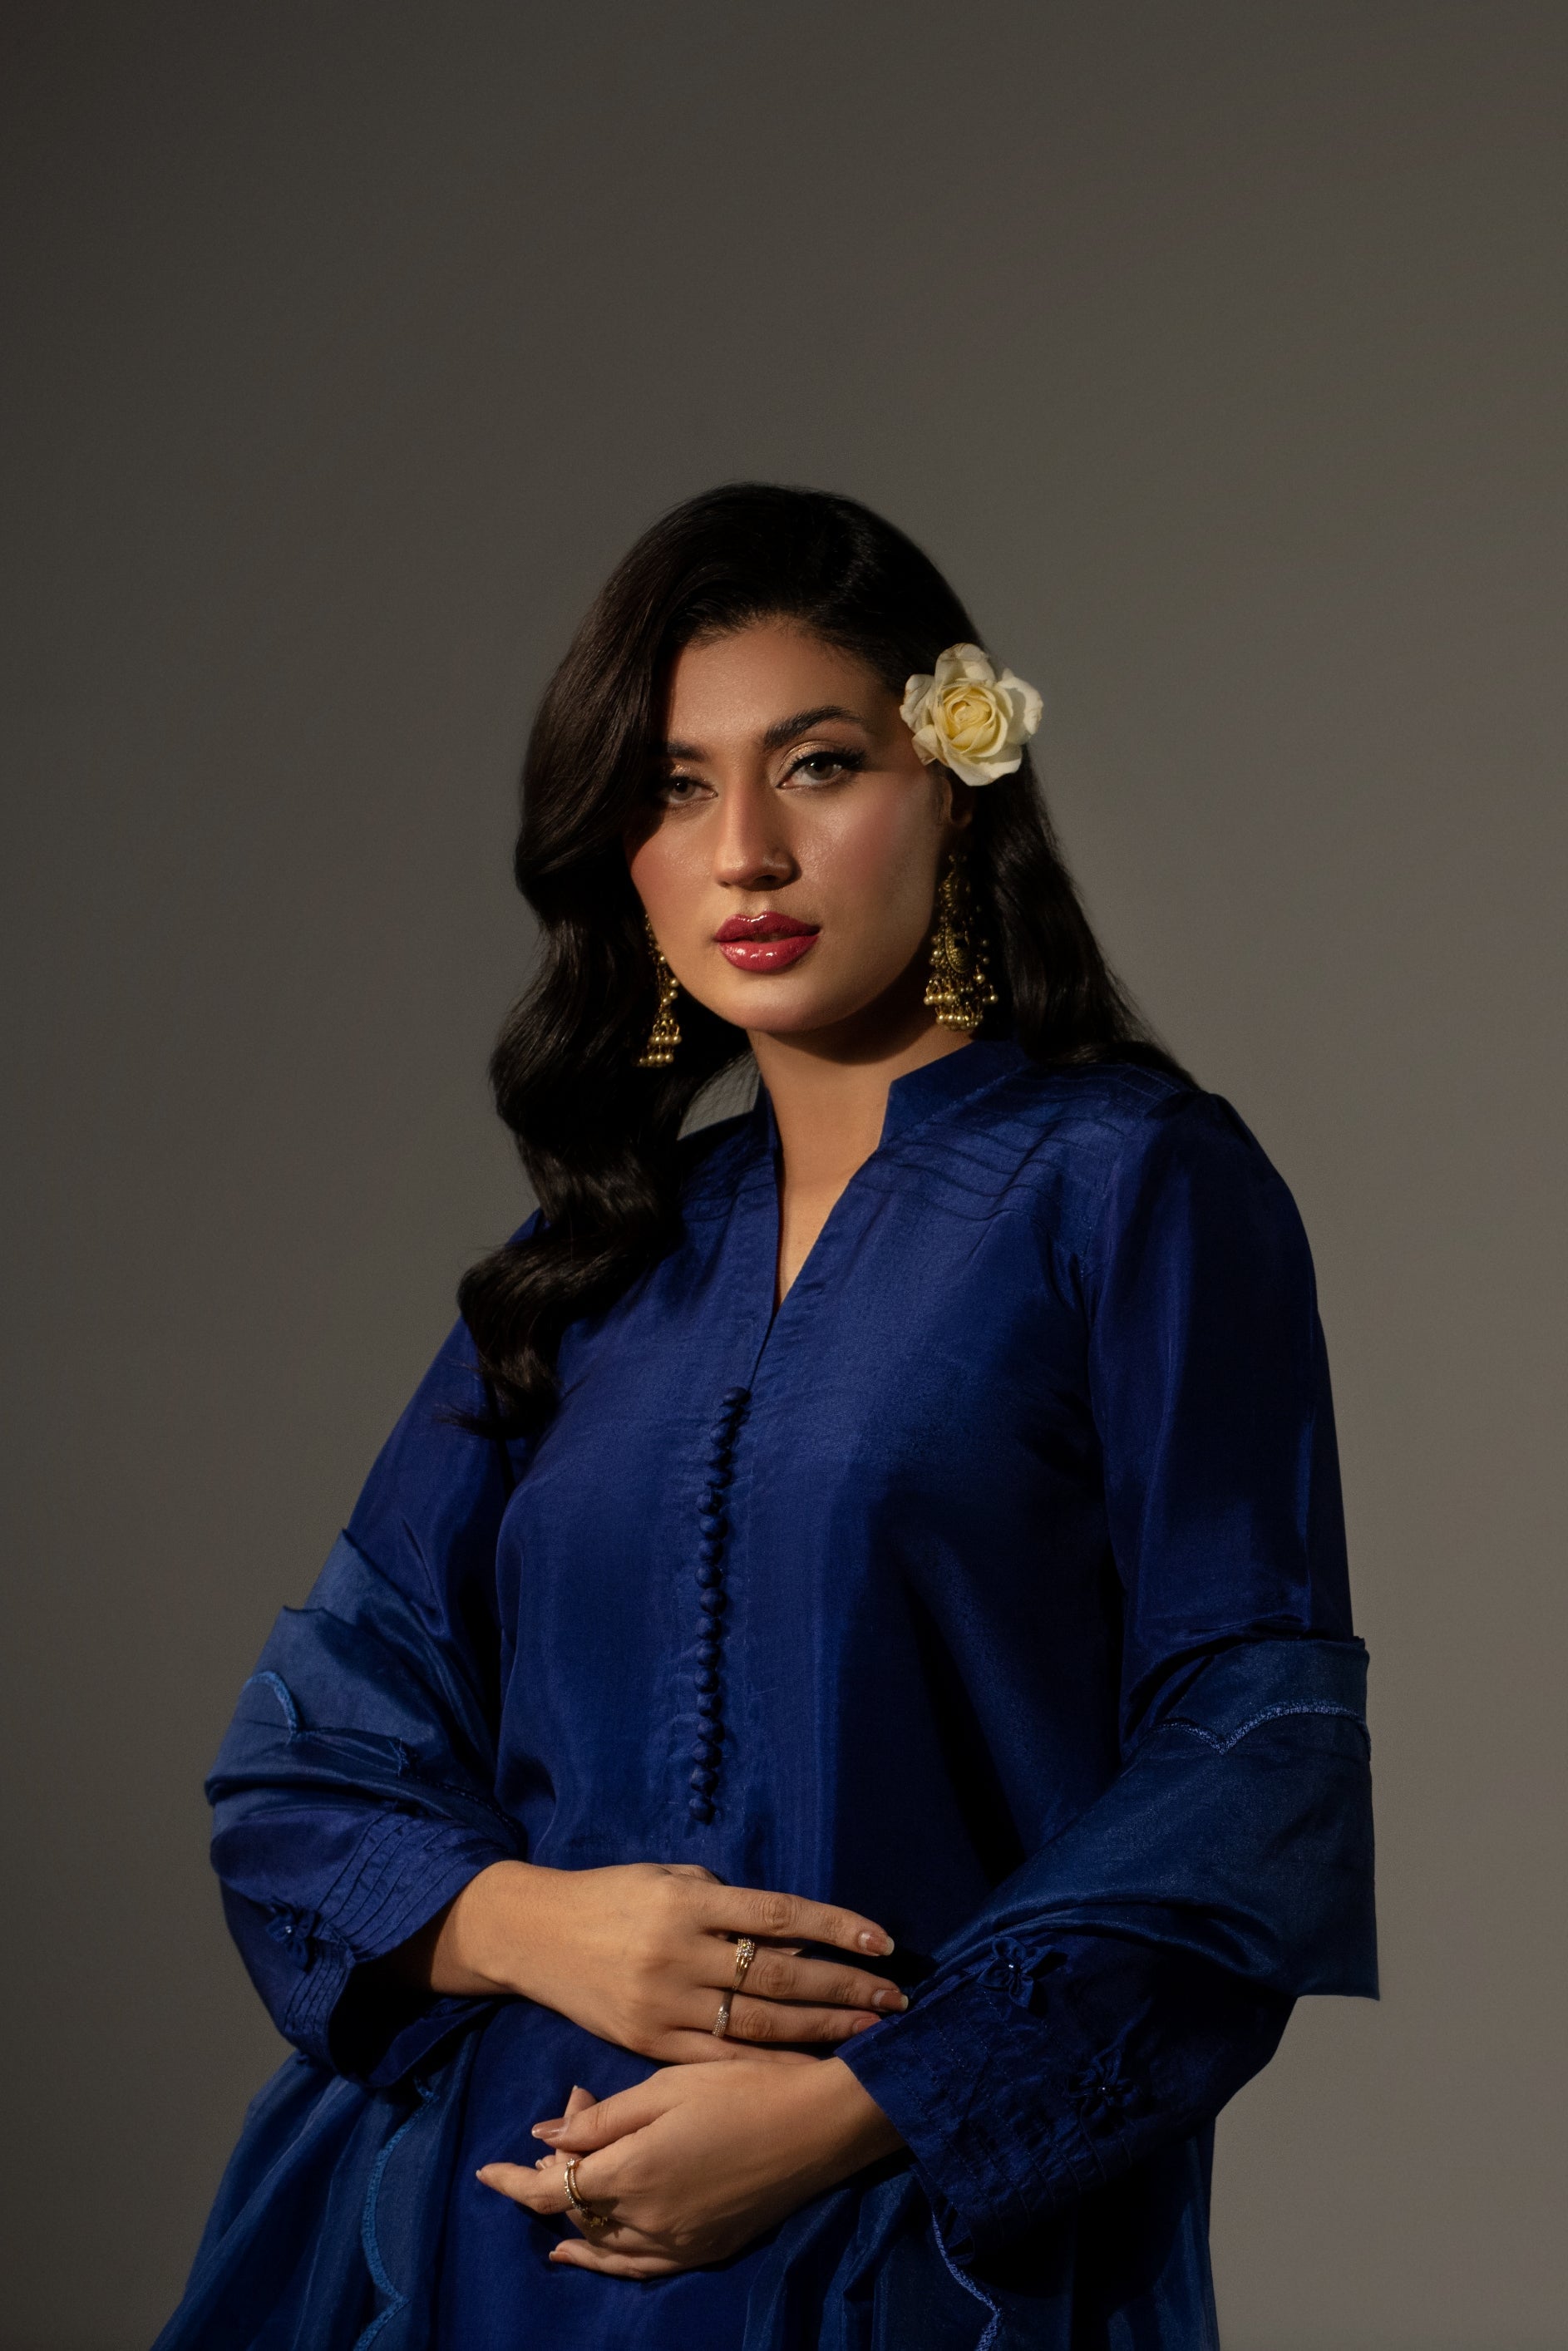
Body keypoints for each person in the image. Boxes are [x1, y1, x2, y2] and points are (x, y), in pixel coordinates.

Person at [155, 485, 1375, 2351]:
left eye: (815, 764)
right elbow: (308, 1760)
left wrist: (837, 2118)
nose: (744, 852)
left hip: (909, 2244)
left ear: (952, 779)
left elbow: (1252, 1775)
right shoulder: (595, 1252)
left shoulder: (1135, 1189)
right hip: (507, 2235)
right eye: (671, 787)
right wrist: (526, 1926)